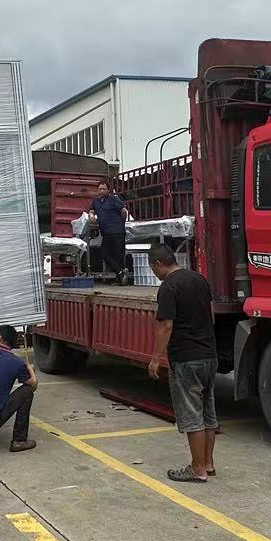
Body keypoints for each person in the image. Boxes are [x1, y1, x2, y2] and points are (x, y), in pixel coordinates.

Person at [146, 244, 219, 483]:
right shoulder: (199, 279)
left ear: (158, 264)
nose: (155, 274)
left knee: (191, 414)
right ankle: (208, 463)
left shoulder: (169, 287)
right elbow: (210, 314)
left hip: (187, 358)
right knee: (207, 411)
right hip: (209, 355)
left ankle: (197, 469)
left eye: (153, 268)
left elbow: (166, 325)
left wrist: (156, 357)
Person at [90, 179, 133, 280]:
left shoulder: (113, 199)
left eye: (104, 189)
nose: (101, 191)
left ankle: (120, 278)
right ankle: (120, 272)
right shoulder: (96, 201)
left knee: (118, 255)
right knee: (104, 253)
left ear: (108, 190)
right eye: (100, 189)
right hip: (106, 232)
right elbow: (91, 210)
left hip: (117, 231)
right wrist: (91, 215)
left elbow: (124, 211)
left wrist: (121, 222)